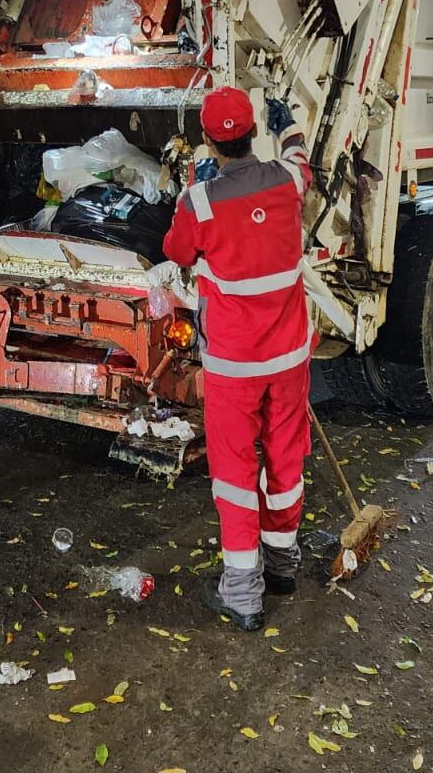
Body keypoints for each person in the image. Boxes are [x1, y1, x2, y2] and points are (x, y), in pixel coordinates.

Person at [163, 86, 313, 631]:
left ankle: (244, 591)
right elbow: (302, 162)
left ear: (208, 140)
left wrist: (192, 186)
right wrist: (290, 123)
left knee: (233, 470)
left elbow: (177, 251)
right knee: (285, 459)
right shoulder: (287, 181)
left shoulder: (199, 203)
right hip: (289, 357)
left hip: (233, 365)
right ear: (254, 132)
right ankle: (282, 564)